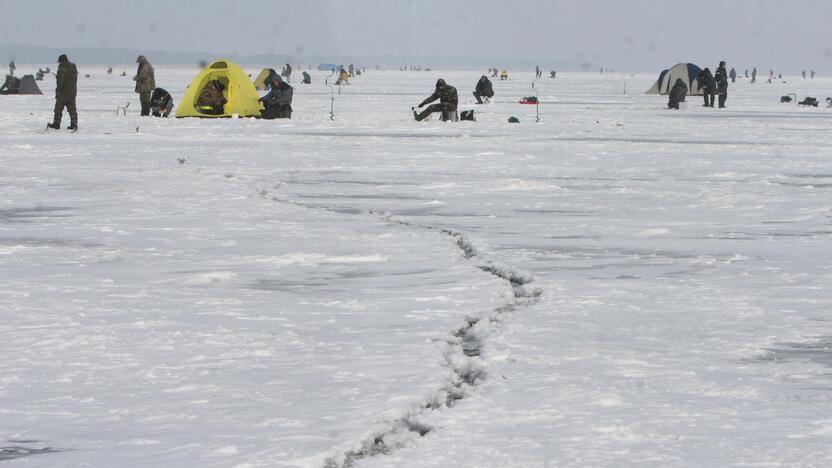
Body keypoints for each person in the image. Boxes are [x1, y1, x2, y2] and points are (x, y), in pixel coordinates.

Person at [47, 54, 78, 130]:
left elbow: (61, 80)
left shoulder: (62, 67)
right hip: (72, 91)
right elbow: (75, 79)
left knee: (58, 108)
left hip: (63, 92)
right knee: (72, 109)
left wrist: (58, 90)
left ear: (61, 61)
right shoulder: (73, 67)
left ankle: (56, 124)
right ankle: (74, 123)